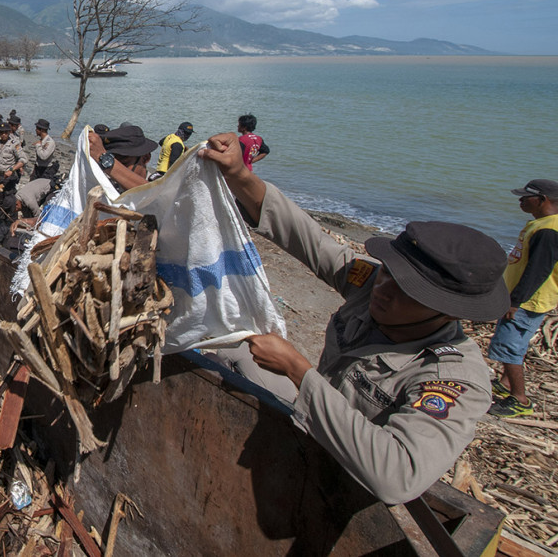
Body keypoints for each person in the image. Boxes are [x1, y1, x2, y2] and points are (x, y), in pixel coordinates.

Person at [197, 131, 508, 505]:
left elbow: (396, 477)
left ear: (447, 311)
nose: (383, 288)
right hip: (307, 421)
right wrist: (241, 178)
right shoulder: (374, 284)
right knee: (229, 349)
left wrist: (299, 369)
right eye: (391, 272)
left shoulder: (451, 378)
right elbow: (310, 240)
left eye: (407, 291)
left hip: (345, 480)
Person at [487, 179, 558, 417]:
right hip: (532, 299)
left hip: (527, 301)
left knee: (509, 345)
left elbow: (538, 270)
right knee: (518, 341)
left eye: (525, 197)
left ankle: (520, 398)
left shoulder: (548, 231)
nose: (520, 201)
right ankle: (506, 382)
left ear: (542, 200)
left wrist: (515, 301)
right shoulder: (544, 224)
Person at [88, 125, 156, 192]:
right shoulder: (104, 185)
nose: (117, 169)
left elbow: (149, 193)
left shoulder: (159, 186)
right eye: (115, 162)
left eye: (123, 163)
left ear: (145, 158)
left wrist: (102, 157)